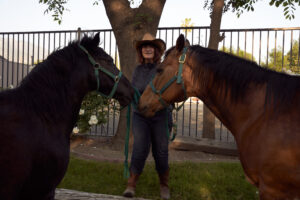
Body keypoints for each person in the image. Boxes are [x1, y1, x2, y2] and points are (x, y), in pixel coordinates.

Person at [123, 33, 172, 200]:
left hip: (160, 115)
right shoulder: (137, 70)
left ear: (157, 50)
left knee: (161, 152)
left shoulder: (163, 69)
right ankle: (131, 184)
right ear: (141, 51)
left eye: (151, 46)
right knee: (139, 148)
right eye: (145, 46)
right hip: (140, 115)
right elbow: (135, 90)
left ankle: (164, 185)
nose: (148, 49)